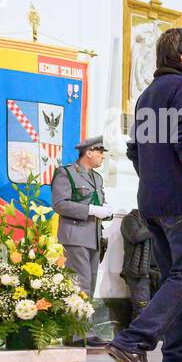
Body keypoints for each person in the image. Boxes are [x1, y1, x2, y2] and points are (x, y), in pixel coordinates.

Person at [107, 27, 182, 362]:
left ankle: (177, 358)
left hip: (152, 201)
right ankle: (133, 340)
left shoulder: (146, 95)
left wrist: (156, 180)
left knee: (174, 276)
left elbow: (135, 150)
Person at [50, 137, 112, 345]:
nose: (103, 156)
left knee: (90, 284)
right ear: (89, 152)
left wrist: (106, 211)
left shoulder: (97, 178)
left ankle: (80, 330)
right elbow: (60, 204)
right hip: (75, 235)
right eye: (100, 152)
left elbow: (100, 202)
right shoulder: (66, 173)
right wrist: (91, 210)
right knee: (81, 284)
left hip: (93, 236)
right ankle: (79, 334)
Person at [119, 208, 157, 320]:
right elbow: (136, 236)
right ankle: (138, 338)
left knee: (159, 311)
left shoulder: (158, 221)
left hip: (158, 271)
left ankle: (157, 338)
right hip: (138, 273)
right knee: (142, 311)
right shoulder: (130, 219)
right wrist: (155, 225)